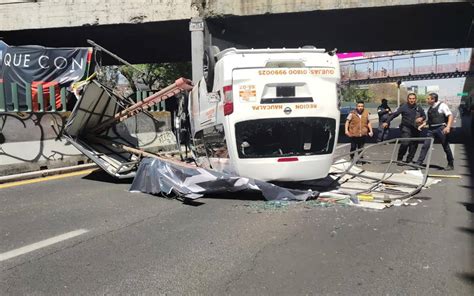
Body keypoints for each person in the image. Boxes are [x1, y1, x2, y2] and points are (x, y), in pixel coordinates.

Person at [383, 93, 426, 165]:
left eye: (413, 99)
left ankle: (409, 159)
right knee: (405, 143)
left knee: (414, 145)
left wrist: (421, 118)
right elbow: (394, 114)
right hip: (406, 127)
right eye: (410, 99)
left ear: (415, 99)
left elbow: (424, 116)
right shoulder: (404, 107)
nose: (412, 100)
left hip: (415, 128)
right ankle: (399, 159)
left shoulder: (418, 107)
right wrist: (387, 122)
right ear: (408, 99)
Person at [415, 93, 454, 170]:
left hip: (441, 128)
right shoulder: (430, 108)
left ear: (433, 99)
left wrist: (448, 127)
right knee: (425, 146)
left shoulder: (442, 106)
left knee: (445, 146)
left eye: (428, 98)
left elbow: (450, 115)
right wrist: (422, 125)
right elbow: (430, 120)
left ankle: (450, 164)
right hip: (431, 129)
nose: (426, 100)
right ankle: (419, 163)